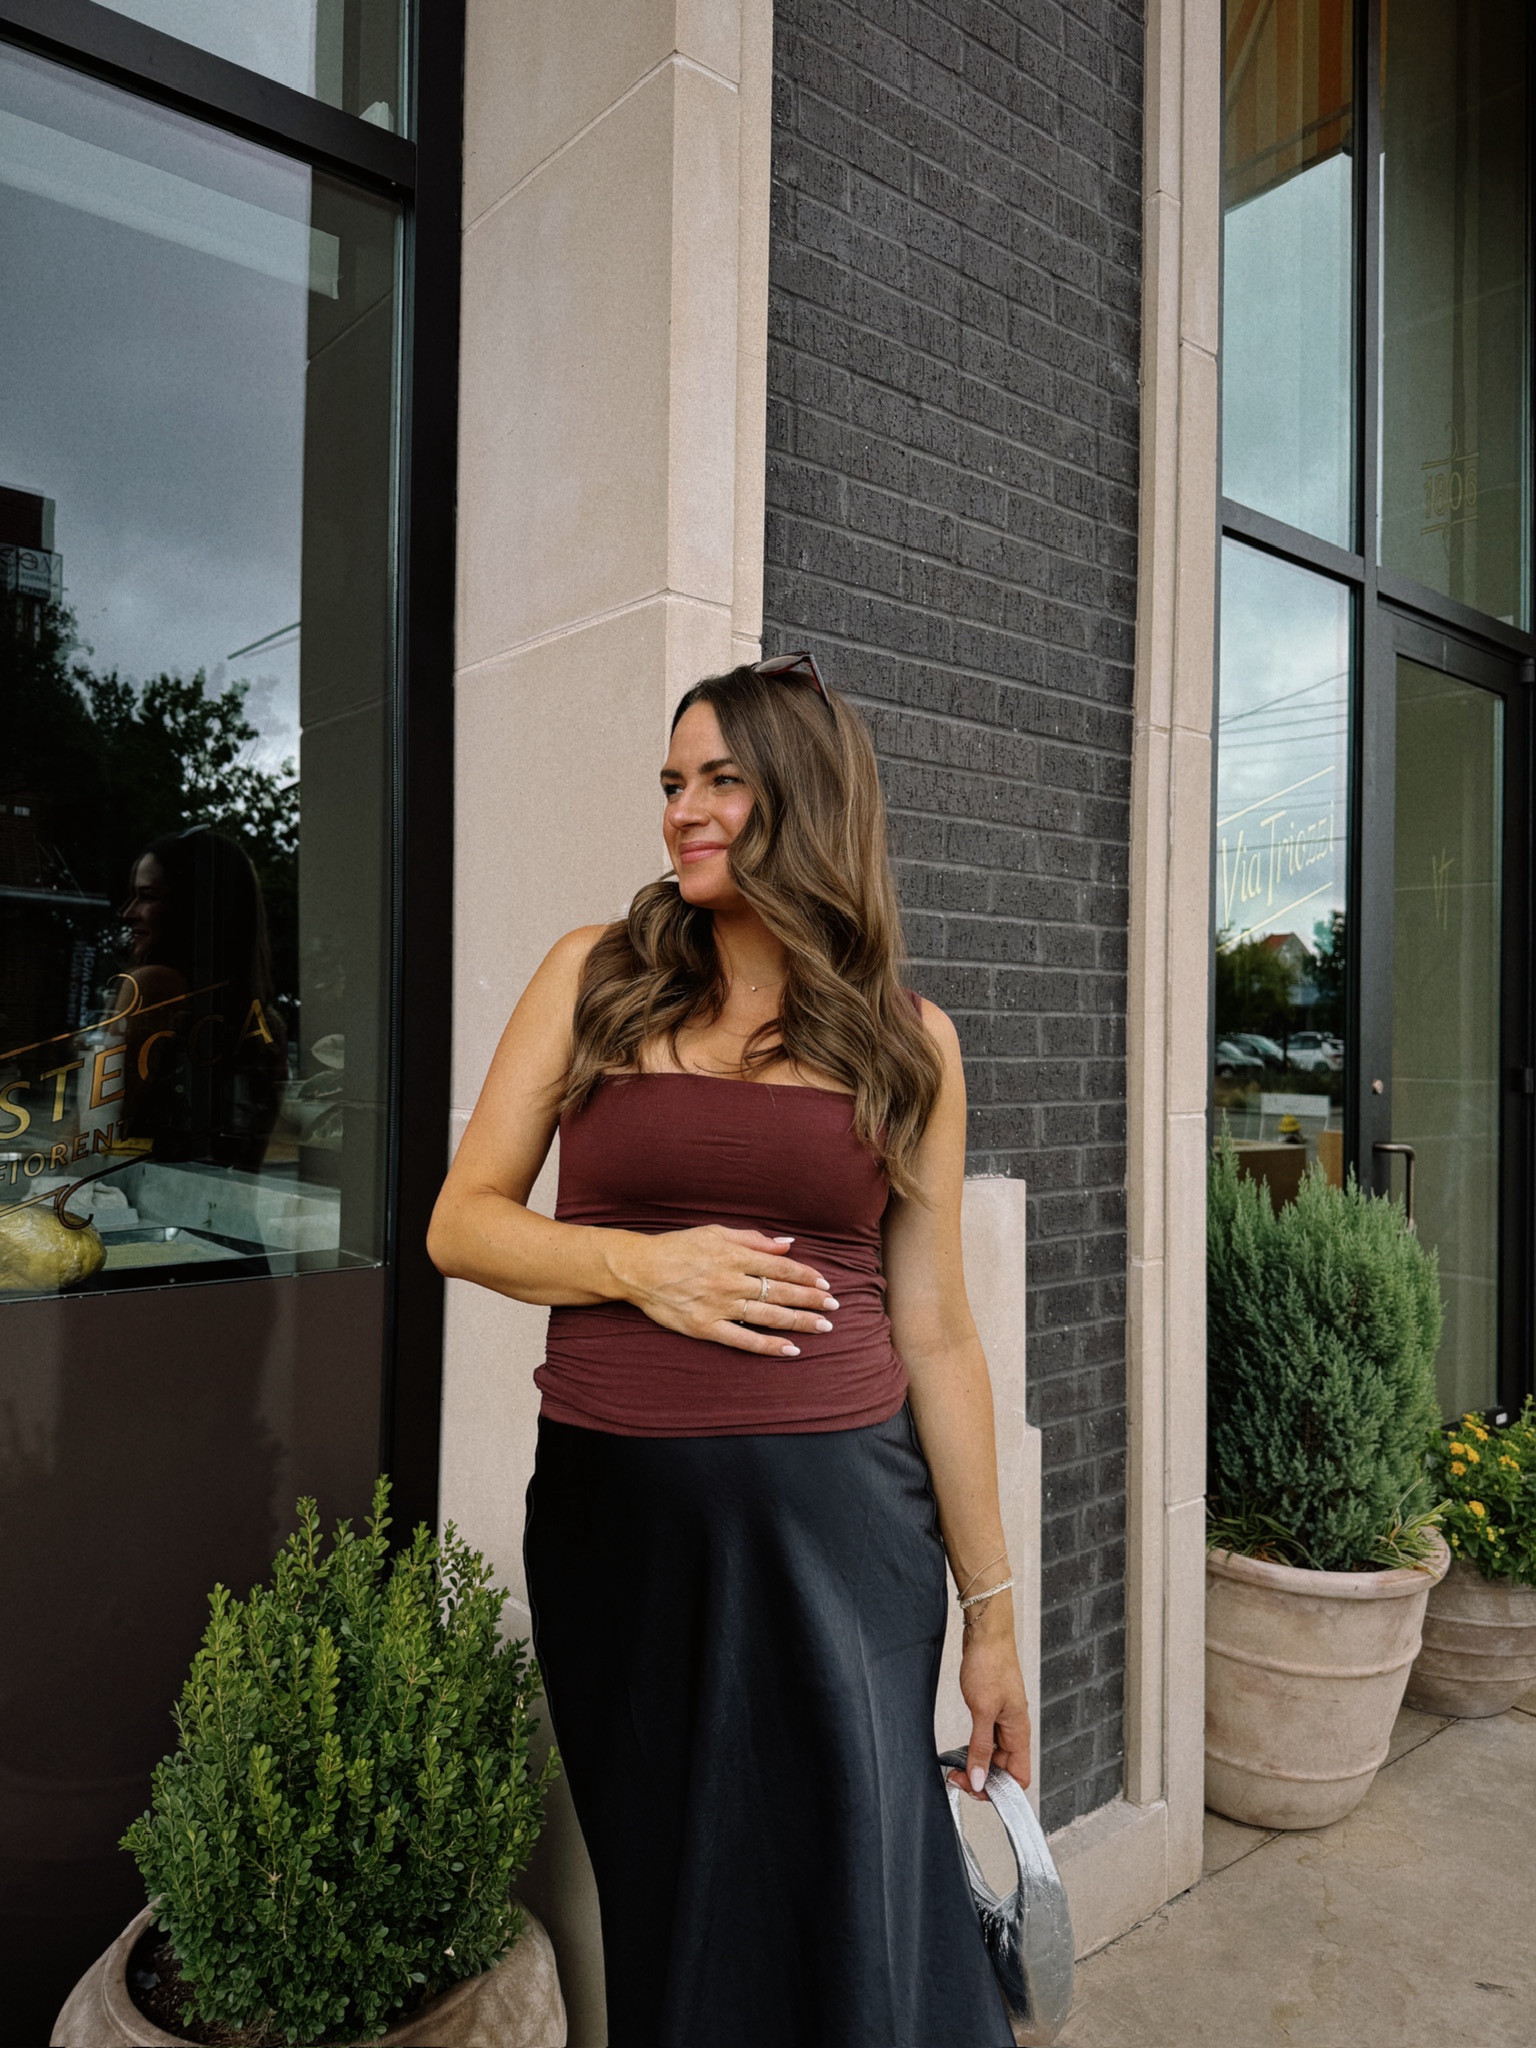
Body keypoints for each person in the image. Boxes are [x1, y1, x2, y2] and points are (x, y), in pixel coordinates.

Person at [428, 655, 1030, 2048]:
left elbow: (938, 1333)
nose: (682, 812)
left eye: (721, 781)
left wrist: (994, 1621)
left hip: (851, 1546)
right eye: (671, 783)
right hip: (620, 1540)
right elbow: (463, 1223)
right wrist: (643, 1267)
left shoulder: (910, 1046)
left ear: (803, 800)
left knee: (858, 1889)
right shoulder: (595, 978)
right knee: (679, 1904)